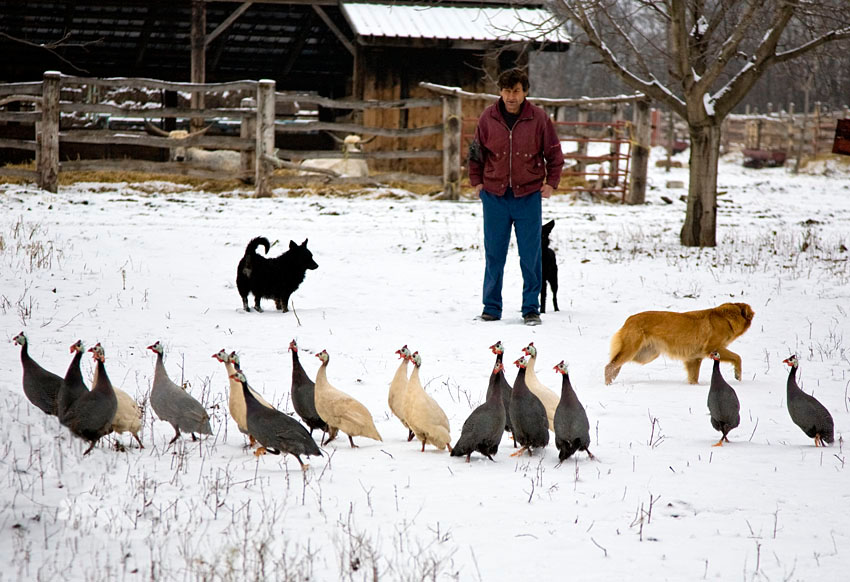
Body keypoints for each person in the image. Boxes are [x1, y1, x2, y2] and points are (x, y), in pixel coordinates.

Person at [468, 68, 564, 326]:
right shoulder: (488, 118)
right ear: (500, 91)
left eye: (517, 91)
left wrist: (551, 183)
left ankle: (531, 308)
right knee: (494, 254)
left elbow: (554, 155)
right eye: (507, 90)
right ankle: (491, 307)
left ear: (525, 92)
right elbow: (476, 153)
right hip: (495, 196)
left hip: (528, 196)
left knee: (531, 254)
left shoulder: (539, 119)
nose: (511, 96)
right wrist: (476, 182)